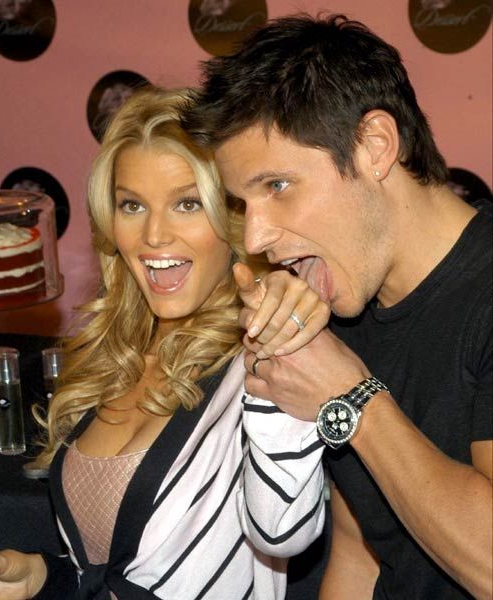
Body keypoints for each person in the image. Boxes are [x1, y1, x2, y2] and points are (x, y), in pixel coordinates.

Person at [183, 13, 493, 600]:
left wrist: (350, 397)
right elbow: (361, 552)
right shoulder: (347, 301)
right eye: (244, 203)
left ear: (375, 146)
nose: (256, 238)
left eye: (277, 186)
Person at [0, 87, 329, 599]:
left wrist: (276, 345)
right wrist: (42, 577)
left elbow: (284, 532)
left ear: (234, 218)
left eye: (187, 203)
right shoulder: (113, 362)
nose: (153, 235)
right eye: (132, 205)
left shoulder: (263, 361)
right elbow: (127, 571)